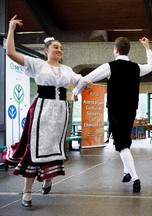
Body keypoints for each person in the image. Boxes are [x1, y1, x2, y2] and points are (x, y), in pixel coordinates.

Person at [1, 15, 88, 207]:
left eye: (61, 48)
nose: (59, 50)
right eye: (56, 47)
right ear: (46, 50)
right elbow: (11, 53)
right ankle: (26, 191)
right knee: (35, 147)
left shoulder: (67, 70)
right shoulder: (37, 64)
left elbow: (80, 82)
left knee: (55, 148)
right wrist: (11, 29)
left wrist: (83, 87)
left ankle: (49, 177)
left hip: (60, 112)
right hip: (41, 109)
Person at [72, 37, 152, 192]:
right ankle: (126, 173)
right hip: (131, 109)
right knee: (124, 140)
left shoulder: (110, 66)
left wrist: (75, 92)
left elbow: (86, 78)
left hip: (116, 110)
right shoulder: (136, 67)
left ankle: (135, 178)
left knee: (122, 144)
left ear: (116, 50)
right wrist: (147, 47)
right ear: (128, 50)